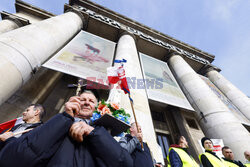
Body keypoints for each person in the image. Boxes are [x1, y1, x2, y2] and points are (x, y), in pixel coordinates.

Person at [0, 90, 132, 167]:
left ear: (96, 108)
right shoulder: (53, 124)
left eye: (91, 101)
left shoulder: (102, 134)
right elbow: (12, 159)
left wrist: (94, 133)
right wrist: (65, 117)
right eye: (82, 99)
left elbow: (124, 163)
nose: (86, 102)